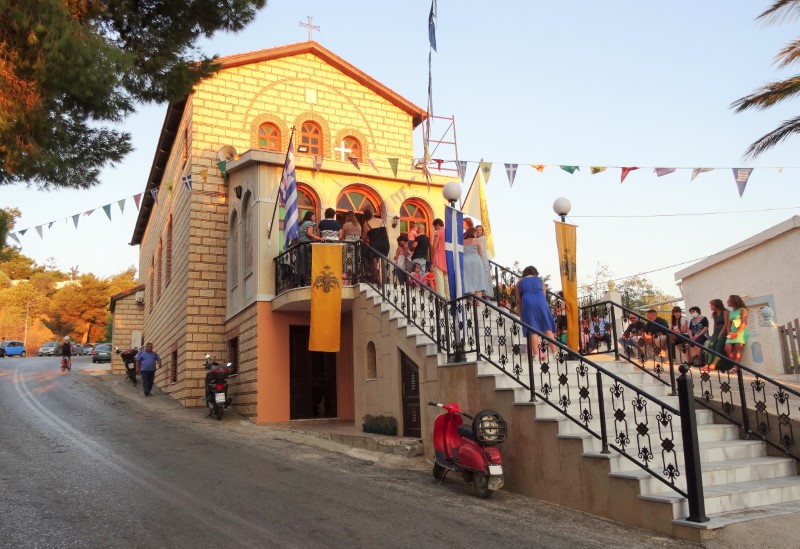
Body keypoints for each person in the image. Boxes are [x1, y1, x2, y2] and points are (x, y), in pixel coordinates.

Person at [515, 265, 557, 359]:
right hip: (541, 301)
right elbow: (544, 295)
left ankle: (536, 355)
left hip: (528, 302)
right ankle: (555, 353)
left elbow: (518, 301)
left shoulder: (519, 282)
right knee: (547, 328)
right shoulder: (540, 280)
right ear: (535, 273)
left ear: (524, 273)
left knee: (532, 329)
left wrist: (521, 314)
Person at [362, 209, 389, 283]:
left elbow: (364, 238)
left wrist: (367, 241)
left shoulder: (367, 224)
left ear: (365, 217)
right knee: (381, 261)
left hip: (375, 246)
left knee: (368, 258)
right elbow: (387, 234)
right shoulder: (382, 221)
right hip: (385, 245)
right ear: (372, 214)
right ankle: (381, 279)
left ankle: (374, 277)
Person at [296, 211, 322, 286]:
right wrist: (319, 238)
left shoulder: (301, 224)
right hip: (307, 245)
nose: (315, 218)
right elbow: (309, 233)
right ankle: (308, 280)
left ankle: (301, 281)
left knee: (302, 263)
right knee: (308, 263)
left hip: (300, 245)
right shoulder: (310, 223)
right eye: (313, 216)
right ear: (309, 216)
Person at [725, 294, 749, 372]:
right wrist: (729, 333)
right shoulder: (731, 312)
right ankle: (736, 365)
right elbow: (728, 325)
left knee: (737, 350)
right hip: (732, 333)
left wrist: (737, 333)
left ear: (734, 301)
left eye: (729, 300)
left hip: (741, 333)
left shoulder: (743, 310)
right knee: (727, 349)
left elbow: (744, 323)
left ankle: (735, 368)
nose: (727, 302)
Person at [707, 298, 730, 371]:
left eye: (711, 305)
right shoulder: (714, 314)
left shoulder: (725, 312)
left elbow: (726, 324)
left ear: (716, 305)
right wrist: (714, 334)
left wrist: (721, 333)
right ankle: (708, 363)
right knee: (710, 345)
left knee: (718, 346)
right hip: (716, 331)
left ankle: (714, 364)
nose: (710, 306)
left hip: (724, 331)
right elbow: (715, 324)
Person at [462, 227, 485, 298]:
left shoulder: (462, 241)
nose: (476, 234)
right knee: (478, 280)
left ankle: (471, 298)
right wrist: (479, 260)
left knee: (468, 279)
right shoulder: (476, 240)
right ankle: (478, 301)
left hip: (465, 261)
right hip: (475, 260)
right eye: (475, 233)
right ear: (473, 233)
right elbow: (480, 252)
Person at [340, 211, 362, 283]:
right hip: (357, 245)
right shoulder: (359, 225)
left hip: (348, 245)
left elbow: (343, 237)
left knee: (348, 263)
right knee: (356, 262)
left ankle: (347, 282)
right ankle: (356, 281)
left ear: (347, 217)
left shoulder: (345, 225)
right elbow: (360, 236)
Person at [430, 218, 449, 298]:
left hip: (438, 257)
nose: (435, 229)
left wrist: (432, 256)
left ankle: (441, 297)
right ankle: (448, 297)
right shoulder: (448, 233)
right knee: (446, 279)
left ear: (438, 225)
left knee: (439, 278)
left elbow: (434, 246)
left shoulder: (438, 232)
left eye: (435, 227)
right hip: (447, 258)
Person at [475, 225, 493, 299]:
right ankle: (482, 293)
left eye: (480, 230)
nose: (478, 231)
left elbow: (479, 249)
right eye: (477, 230)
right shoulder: (476, 239)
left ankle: (485, 293)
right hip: (479, 257)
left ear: (482, 231)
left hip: (482, 257)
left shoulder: (482, 238)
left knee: (483, 274)